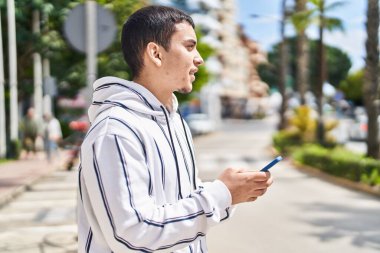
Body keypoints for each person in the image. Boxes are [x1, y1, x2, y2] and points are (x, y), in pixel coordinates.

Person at [78, 5, 273, 253]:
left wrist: (232, 190)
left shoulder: (173, 120)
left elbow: (176, 201)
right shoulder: (115, 131)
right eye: (190, 47)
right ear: (156, 54)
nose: (199, 58)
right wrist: (220, 195)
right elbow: (133, 234)